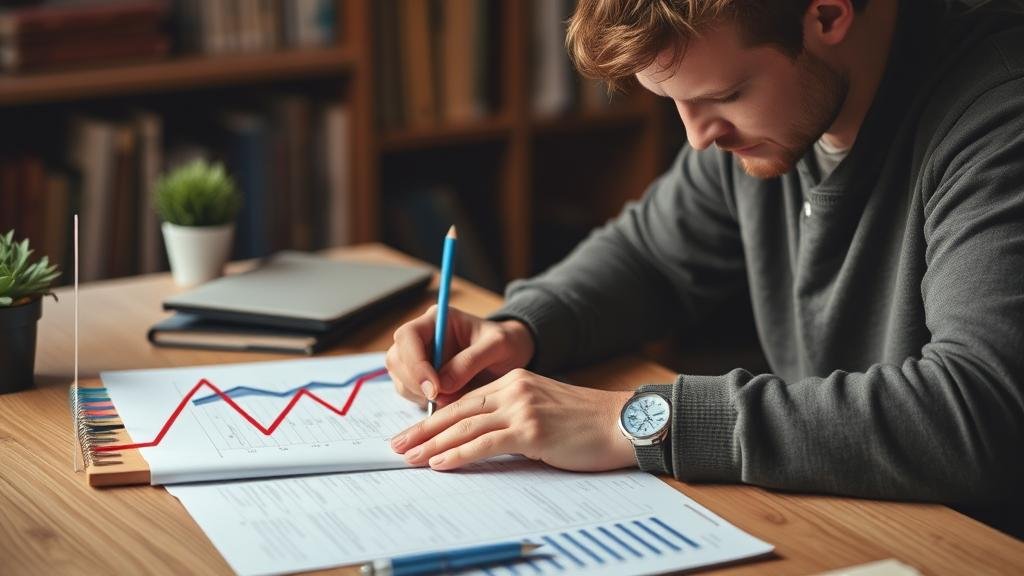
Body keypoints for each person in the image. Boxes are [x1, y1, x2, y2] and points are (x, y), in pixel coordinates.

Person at [385, 0, 1024, 536]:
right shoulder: (775, 111)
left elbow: (979, 413)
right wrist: (519, 329)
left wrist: (633, 422)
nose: (697, 138)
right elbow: (650, 258)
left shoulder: (1000, 114)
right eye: (674, 102)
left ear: (829, 15)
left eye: (724, 95)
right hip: (848, 515)